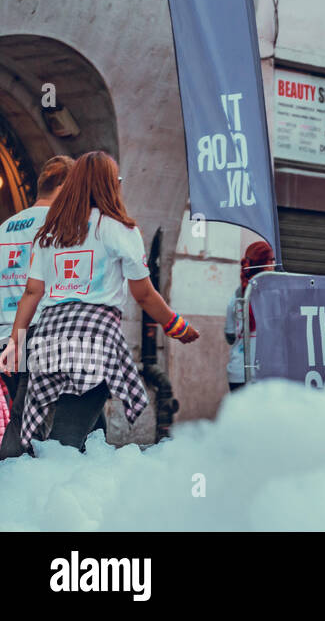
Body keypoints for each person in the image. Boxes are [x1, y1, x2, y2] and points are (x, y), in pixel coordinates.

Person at [0, 152, 198, 457]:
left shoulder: (48, 232)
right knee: (64, 442)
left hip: (41, 338)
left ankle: (21, 487)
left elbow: (31, 292)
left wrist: (15, 343)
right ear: (109, 185)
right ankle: (48, 494)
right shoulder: (120, 229)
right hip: (92, 339)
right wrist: (175, 325)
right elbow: (143, 294)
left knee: (27, 428)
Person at [0, 156, 74, 448]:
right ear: (63, 185)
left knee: (27, 422)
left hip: (7, 335)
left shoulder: (5, 228)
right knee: (37, 432)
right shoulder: (60, 225)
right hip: (41, 335)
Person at [225, 241, 274, 393]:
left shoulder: (236, 297)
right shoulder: (273, 295)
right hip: (264, 374)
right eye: (272, 260)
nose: (274, 264)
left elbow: (230, 336)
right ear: (265, 265)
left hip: (238, 372)